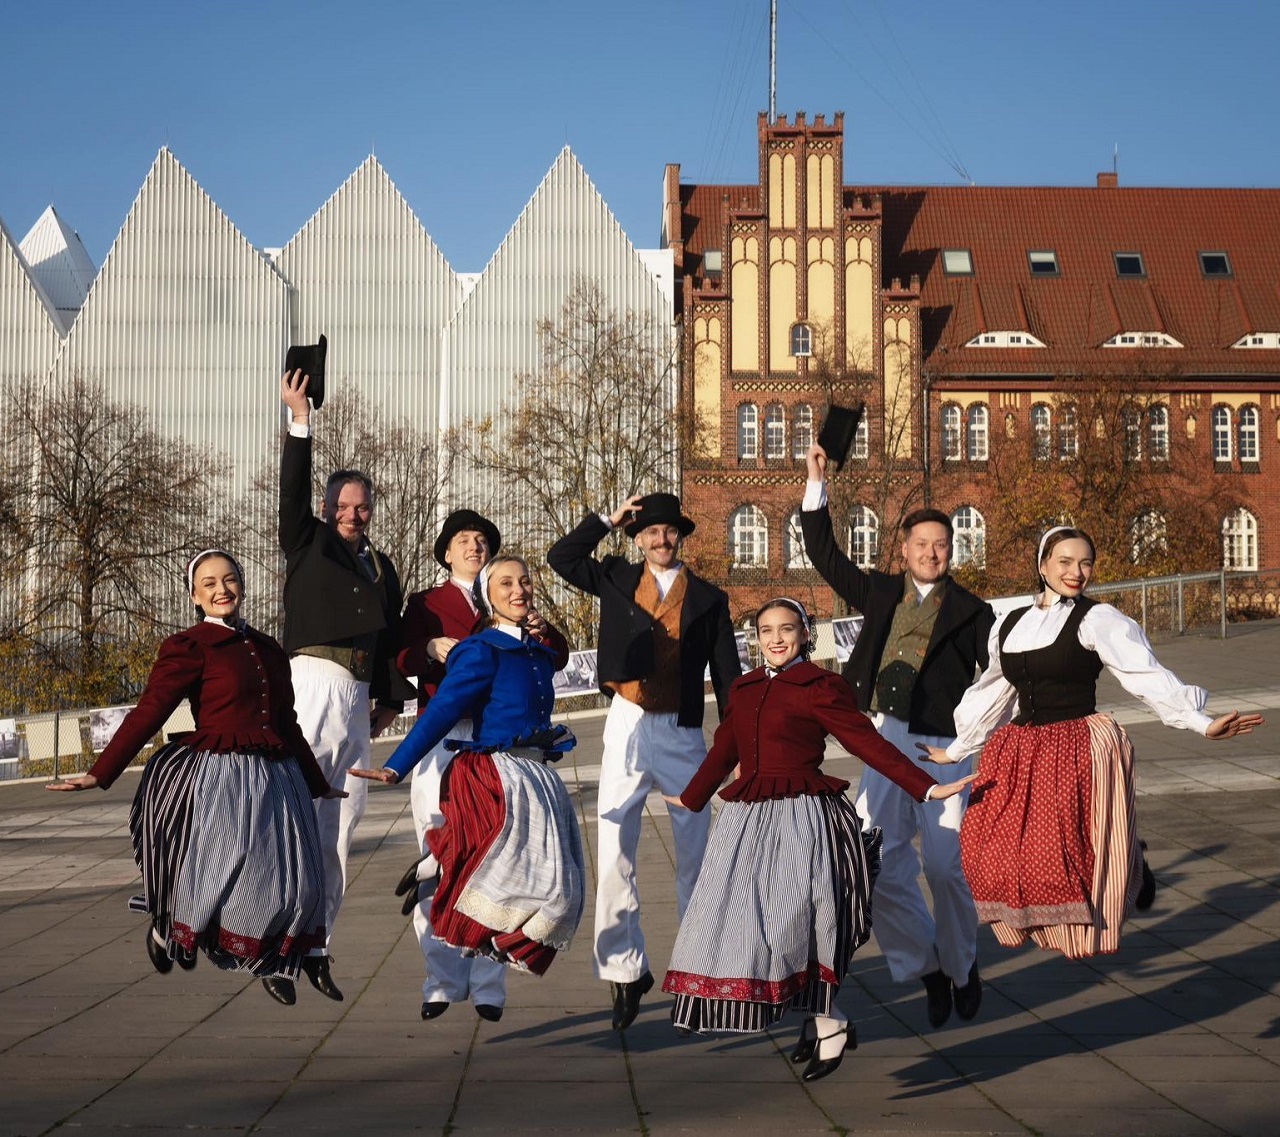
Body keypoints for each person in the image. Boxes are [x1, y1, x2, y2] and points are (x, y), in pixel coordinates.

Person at [661, 598, 974, 1082]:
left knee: (794, 926)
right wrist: (692, 796)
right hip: (746, 823)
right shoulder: (743, 689)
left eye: (787, 629)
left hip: (802, 819)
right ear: (756, 639)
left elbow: (868, 744)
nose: (776, 638)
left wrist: (927, 787)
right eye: (767, 631)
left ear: (805, 634)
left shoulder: (820, 686)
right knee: (745, 926)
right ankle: (821, 1020)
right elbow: (726, 749)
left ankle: (830, 1023)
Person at [919, 527, 1264, 958]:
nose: (1076, 572)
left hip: (1075, 745)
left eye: (1085, 563)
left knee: (1063, 853)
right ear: (1042, 565)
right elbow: (994, 689)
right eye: (1065, 562)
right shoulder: (1010, 623)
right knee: (988, 847)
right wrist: (956, 749)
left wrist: (1200, 722)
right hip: (1021, 748)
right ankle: (1125, 864)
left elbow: (1144, 674)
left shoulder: (1097, 620)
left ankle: (1120, 877)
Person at [47, 550, 346, 998]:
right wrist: (100, 773)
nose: (221, 590)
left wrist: (318, 782)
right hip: (223, 776)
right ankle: (175, 931)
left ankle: (273, 959)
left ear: (241, 584)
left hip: (277, 775)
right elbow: (150, 710)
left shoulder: (268, 648)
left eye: (229, 579)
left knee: (294, 875)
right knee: (229, 868)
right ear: (194, 595)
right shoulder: (190, 646)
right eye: (209, 584)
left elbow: (287, 724)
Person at [800, 443, 993, 1028]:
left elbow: (1000, 679)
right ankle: (925, 966)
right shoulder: (882, 592)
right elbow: (825, 555)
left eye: (941, 545)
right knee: (875, 862)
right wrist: (816, 482)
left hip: (945, 749)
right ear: (904, 549)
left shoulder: (974, 611)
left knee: (946, 867)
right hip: (884, 737)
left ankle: (962, 964)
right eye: (921, 544)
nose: (932, 553)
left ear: (951, 550)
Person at [548, 492, 742, 1030]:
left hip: (683, 729)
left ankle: (700, 970)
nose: (661, 539)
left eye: (669, 531)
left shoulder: (709, 598)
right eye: (651, 532)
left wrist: (738, 747)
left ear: (680, 536)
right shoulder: (614, 576)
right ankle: (623, 969)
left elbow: (729, 676)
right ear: (637, 539)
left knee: (698, 855)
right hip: (627, 721)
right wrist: (607, 520)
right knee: (613, 847)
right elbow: (562, 557)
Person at [351, 555, 585, 980]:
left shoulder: (537, 651)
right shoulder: (480, 650)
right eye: (506, 584)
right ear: (487, 598)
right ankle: (453, 873)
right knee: (546, 887)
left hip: (539, 777)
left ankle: (449, 869)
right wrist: (396, 767)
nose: (519, 590)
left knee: (567, 889)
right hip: (498, 776)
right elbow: (442, 710)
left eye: (525, 581)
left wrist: (543, 630)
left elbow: (559, 654)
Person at [394, 510, 568, 1023]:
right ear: (447, 552)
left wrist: (540, 629)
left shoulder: (513, 597)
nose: (475, 546)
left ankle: (489, 980)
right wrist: (427, 647)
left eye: (482, 540)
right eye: (464, 540)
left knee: (502, 860)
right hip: (443, 734)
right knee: (440, 850)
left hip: (499, 741)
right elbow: (398, 659)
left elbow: (552, 656)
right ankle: (442, 979)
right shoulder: (426, 603)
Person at [276, 369, 414, 1005]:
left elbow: (388, 636)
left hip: (356, 698)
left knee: (341, 826)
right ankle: (278, 945)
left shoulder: (382, 565)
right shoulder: (308, 542)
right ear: (328, 508)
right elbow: (293, 489)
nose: (354, 515)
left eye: (363, 507)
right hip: (312, 683)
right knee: (298, 818)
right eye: (344, 505)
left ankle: (317, 945)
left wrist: (391, 699)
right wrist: (300, 419)